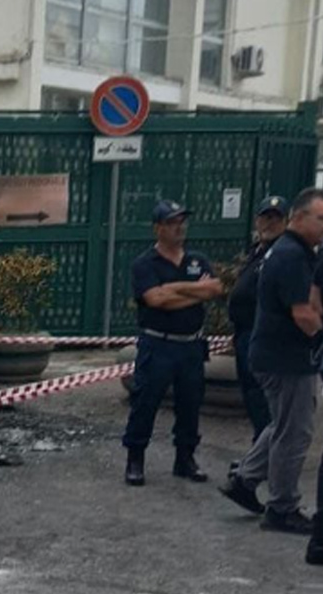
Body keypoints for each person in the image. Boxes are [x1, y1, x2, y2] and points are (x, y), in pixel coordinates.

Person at [219, 187, 323, 534]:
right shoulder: (292, 255)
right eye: (320, 218)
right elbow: (304, 313)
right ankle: (282, 507)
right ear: (298, 217)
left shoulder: (299, 252)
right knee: (295, 432)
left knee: (281, 425)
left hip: (279, 354)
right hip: (286, 358)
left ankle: (245, 480)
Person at [123, 200, 224, 486]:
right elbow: (156, 300)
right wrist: (196, 292)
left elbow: (215, 288)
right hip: (158, 344)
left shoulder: (197, 260)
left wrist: (175, 288)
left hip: (191, 344)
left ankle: (185, 458)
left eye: (182, 221)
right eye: (172, 222)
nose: (179, 227)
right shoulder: (145, 263)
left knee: (190, 403)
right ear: (158, 228)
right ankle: (135, 458)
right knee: (146, 401)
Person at [227, 195, 287, 441]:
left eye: (275, 218)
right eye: (265, 217)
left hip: (266, 338)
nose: (269, 223)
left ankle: (265, 456)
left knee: (265, 401)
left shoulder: (283, 253)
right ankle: (259, 451)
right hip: (245, 335)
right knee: (252, 396)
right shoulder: (258, 251)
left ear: (286, 222)